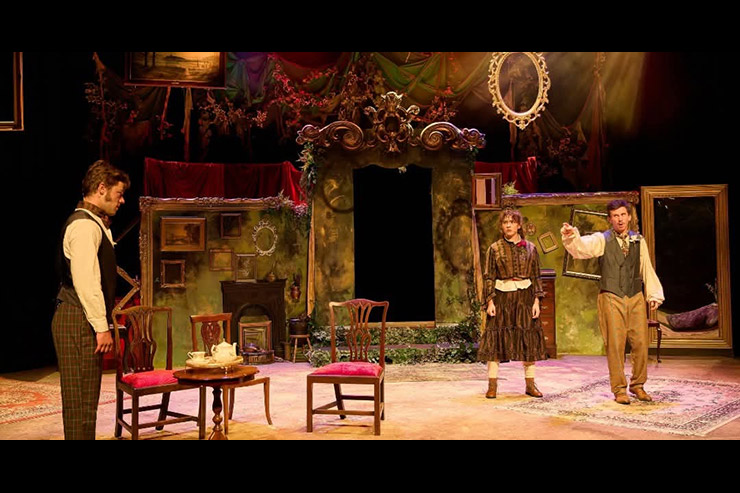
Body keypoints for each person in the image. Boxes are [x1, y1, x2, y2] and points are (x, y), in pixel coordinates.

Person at [52, 160, 129, 439]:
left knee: (87, 403)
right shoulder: (84, 226)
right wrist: (101, 326)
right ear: (101, 189)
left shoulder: (95, 224)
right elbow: (86, 281)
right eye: (119, 193)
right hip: (77, 317)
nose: (122, 200)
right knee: (80, 404)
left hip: (80, 316)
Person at [561, 199, 664, 405]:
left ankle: (638, 385)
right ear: (610, 219)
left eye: (623, 215)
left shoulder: (638, 240)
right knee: (615, 345)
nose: (620, 219)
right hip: (611, 296)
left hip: (635, 295)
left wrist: (653, 294)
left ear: (629, 217)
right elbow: (582, 248)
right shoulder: (602, 239)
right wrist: (572, 236)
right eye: (616, 216)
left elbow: (646, 267)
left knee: (641, 343)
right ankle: (619, 389)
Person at [478, 208, 548, 399]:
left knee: (528, 340)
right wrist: (490, 301)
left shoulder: (530, 248)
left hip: (525, 297)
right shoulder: (494, 248)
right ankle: (492, 385)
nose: (508, 225)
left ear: (518, 225)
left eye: (512, 222)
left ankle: (530, 384)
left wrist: (536, 301)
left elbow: (536, 276)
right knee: (495, 341)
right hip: (502, 297)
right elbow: (489, 276)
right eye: (505, 222)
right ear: (501, 226)